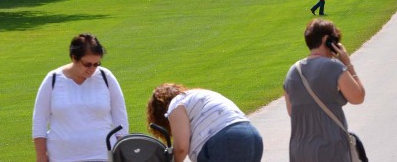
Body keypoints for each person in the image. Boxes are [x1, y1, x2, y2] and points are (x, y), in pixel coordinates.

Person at [33, 33, 129, 162]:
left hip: (103, 155)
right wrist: (41, 155)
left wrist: (123, 153)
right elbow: (39, 120)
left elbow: (120, 118)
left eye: (96, 64)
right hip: (62, 157)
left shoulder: (106, 77)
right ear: (74, 58)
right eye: (87, 64)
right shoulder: (53, 79)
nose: (92, 69)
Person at [284, 19, 365, 161]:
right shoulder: (334, 67)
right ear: (326, 40)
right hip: (330, 149)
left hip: (299, 151)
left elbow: (292, 112)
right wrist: (347, 63)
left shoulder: (293, 71)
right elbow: (358, 97)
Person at [147, 83, 263, 162]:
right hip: (252, 136)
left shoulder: (176, 104)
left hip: (225, 142)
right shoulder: (199, 95)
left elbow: (181, 148)